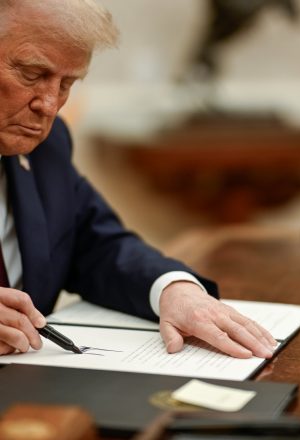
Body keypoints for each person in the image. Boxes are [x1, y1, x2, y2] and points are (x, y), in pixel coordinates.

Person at [0, 0, 276, 359]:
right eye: (33, 75)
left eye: (67, 83)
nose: (50, 105)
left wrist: (174, 291)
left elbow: (98, 245)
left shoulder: (47, 147)